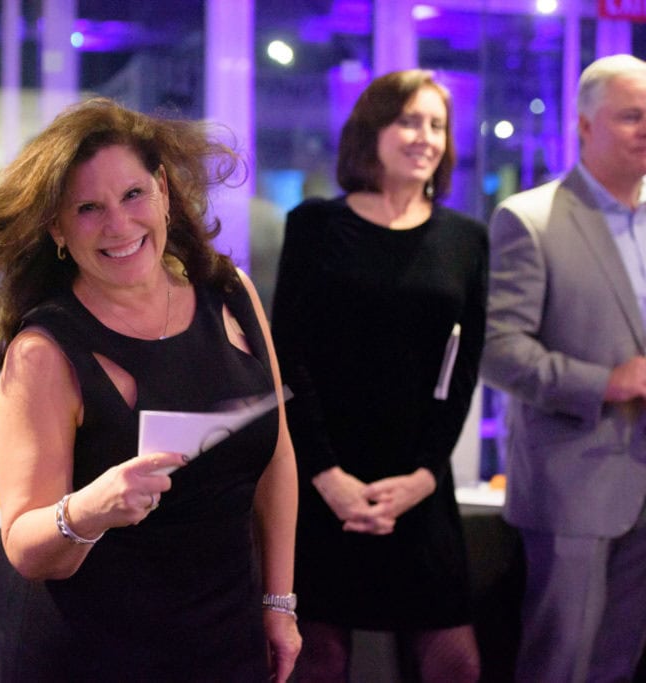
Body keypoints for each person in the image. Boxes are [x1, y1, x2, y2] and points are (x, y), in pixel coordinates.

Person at [0, 97, 301, 681]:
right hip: (98, 658)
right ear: (57, 228)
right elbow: (23, 546)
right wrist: (90, 510)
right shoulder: (44, 351)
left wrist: (279, 603)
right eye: (88, 208)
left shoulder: (232, 292)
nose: (119, 225)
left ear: (164, 191)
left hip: (230, 647)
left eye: (133, 195)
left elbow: (277, 456)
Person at [270, 70, 486, 682]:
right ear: (372, 131)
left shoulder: (466, 238)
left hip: (417, 481)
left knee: (455, 663)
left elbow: (462, 369)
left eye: (437, 125)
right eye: (409, 121)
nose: (426, 137)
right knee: (320, 660)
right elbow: (288, 358)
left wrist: (425, 475)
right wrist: (326, 475)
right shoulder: (314, 224)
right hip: (323, 479)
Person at [480, 53, 646, 683]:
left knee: (618, 665)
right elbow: (499, 350)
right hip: (572, 486)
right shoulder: (531, 219)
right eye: (631, 116)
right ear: (583, 125)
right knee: (559, 665)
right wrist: (607, 383)